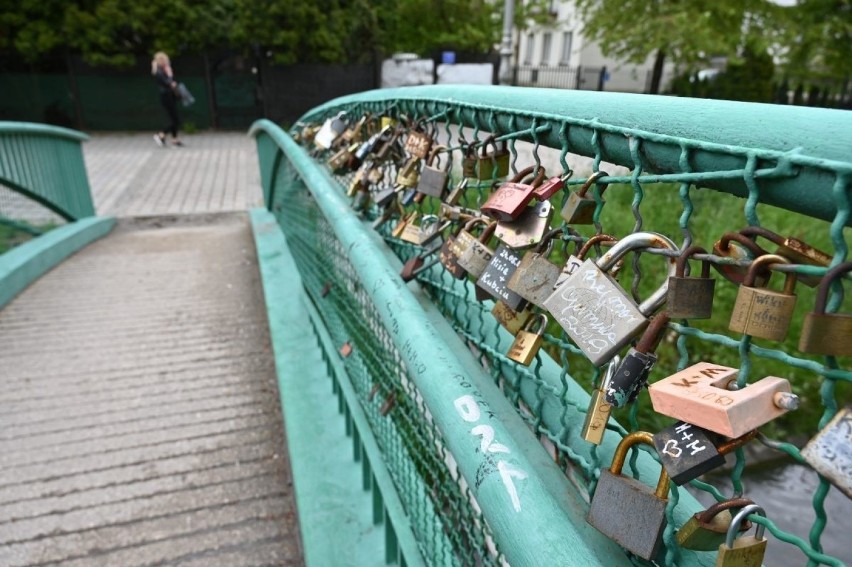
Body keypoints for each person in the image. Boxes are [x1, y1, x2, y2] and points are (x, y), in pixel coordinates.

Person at [151, 51, 183, 147]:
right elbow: (168, 82)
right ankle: (161, 134)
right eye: (163, 59)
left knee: (174, 118)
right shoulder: (159, 71)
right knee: (175, 120)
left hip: (170, 95)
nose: (165, 61)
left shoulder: (163, 70)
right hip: (166, 96)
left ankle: (175, 139)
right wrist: (170, 77)